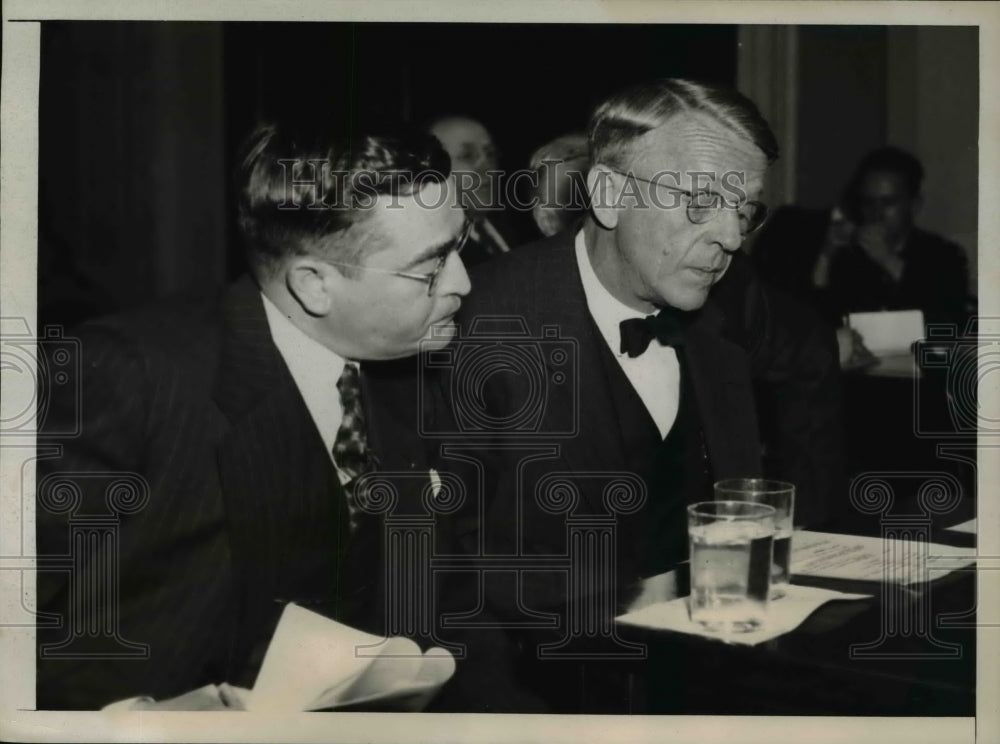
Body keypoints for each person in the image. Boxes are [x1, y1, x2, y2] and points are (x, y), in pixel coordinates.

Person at [35, 121, 472, 709]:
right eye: (431, 268)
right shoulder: (128, 375)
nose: (463, 283)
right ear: (314, 285)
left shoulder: (419, 364)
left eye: (459, 246)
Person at [446, 78, 842, 712]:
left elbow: (812, 354)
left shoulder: (731, 292)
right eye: (702, 202)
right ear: (608, 194)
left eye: (744, 210)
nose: (732, 238)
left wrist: (802, 529)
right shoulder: (479, 325)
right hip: (550, 691)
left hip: (721, 673)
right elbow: (444, 577)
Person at [756, 146, 972, 328]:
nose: (876, 213)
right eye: (869, 202)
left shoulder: (943, 255)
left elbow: (948, 318)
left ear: (914, 205)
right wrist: (826, 256)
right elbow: (816, 313)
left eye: (888, 203)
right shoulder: (851, 253)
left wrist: (889, 261)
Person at [428, 115, 530, 267]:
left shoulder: (520, 227)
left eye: (490, 153)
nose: (487, 167)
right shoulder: (434, 252)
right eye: (467, 156)